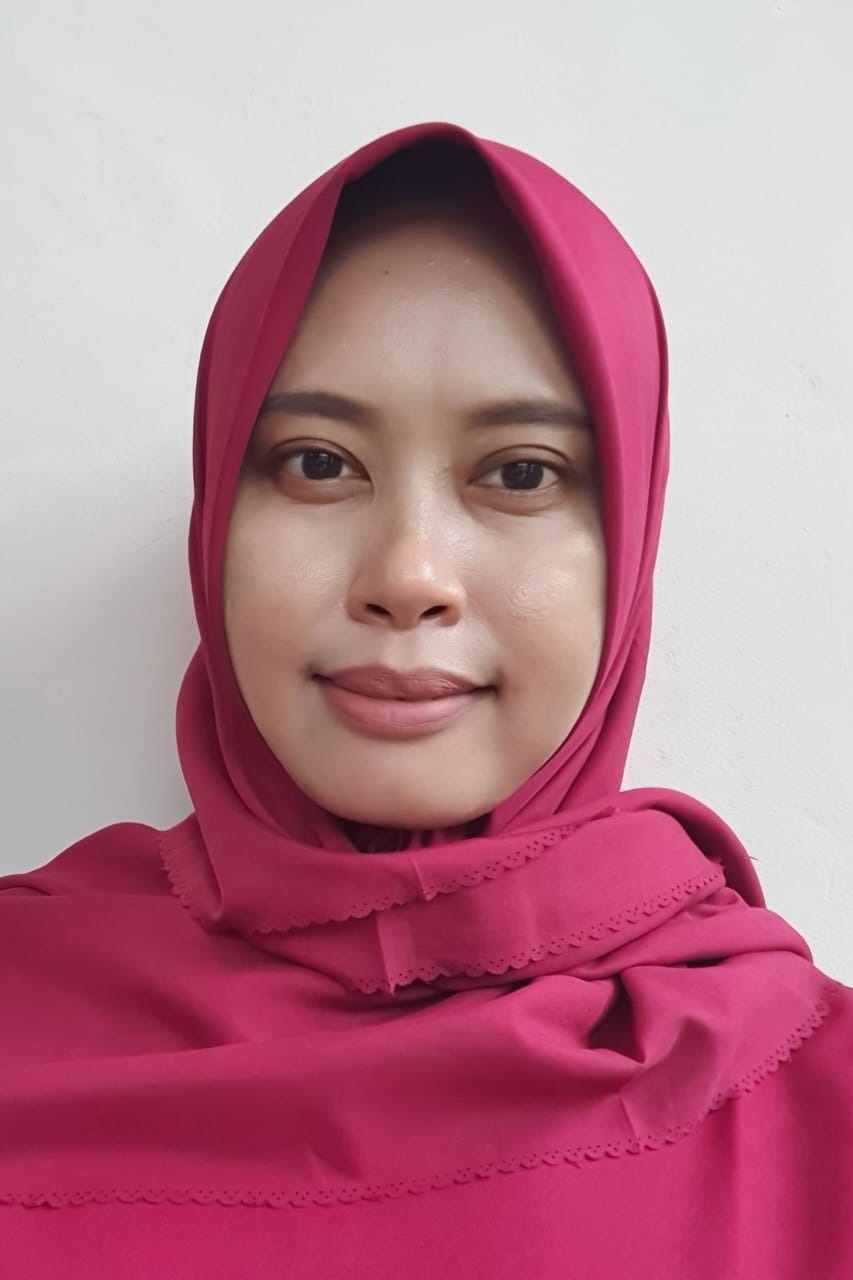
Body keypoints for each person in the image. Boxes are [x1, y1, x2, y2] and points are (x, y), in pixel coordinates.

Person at [1, 120, 850, 1278]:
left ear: (628, 538)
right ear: (218, 515)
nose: (406, 574)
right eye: (316, 461)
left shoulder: (813, 1105)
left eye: (519, 472)